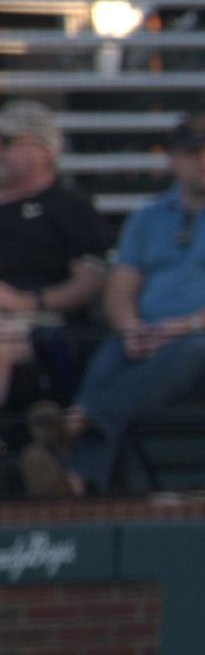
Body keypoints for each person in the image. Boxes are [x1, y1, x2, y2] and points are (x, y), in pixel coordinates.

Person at [54, 112, 205, 495]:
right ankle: (76, 480)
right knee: (113, 349)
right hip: (154, 337)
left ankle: (76, 423)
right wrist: (130, 328)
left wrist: (185, 326)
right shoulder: (147, 217)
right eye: (193, 152)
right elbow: (120, 288)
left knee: (188, 349)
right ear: (172, 160)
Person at [0, 101, 110, 424]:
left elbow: (89, 282)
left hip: (40, 325)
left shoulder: (70, 207)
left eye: (7, 142)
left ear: (44, 151)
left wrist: (25, 301)